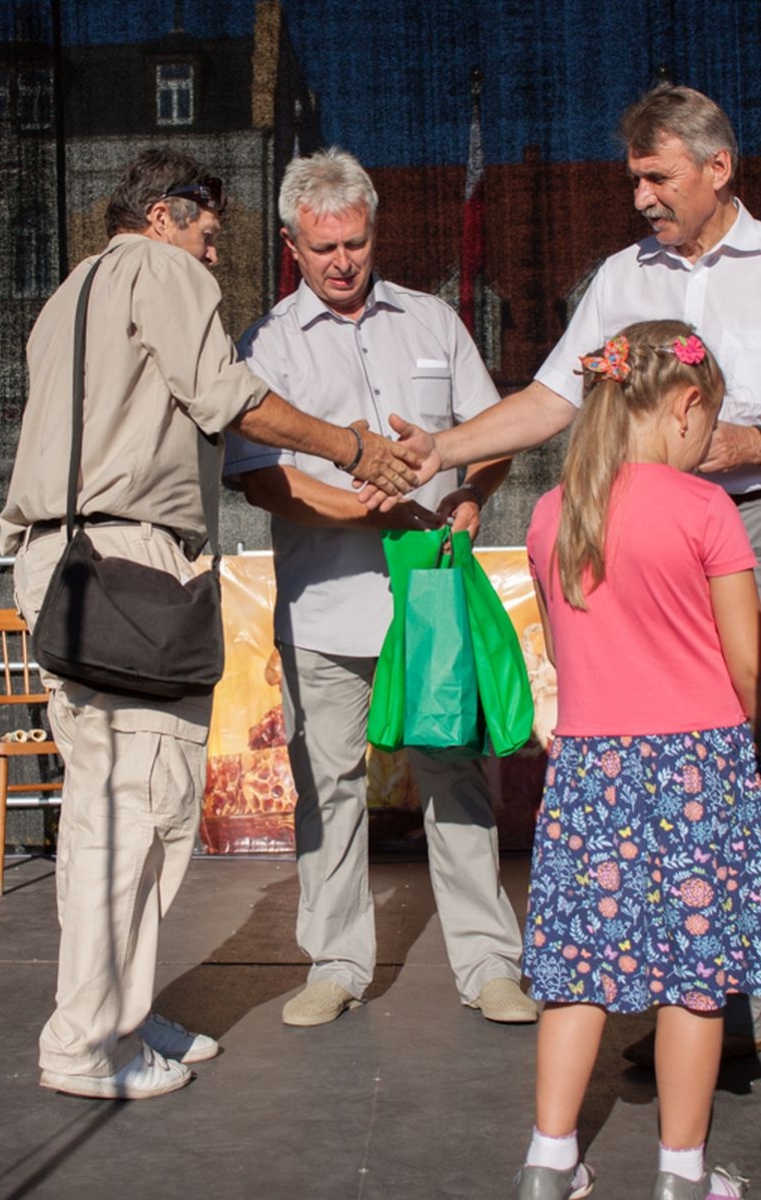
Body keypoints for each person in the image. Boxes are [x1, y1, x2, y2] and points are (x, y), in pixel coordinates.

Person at [0, 146, 425, 1102]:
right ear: (162, 213)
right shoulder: (158, 268)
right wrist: (351, 444)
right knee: (138, 813)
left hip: (66, 561)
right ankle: (86, 1044)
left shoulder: (69, 294)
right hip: (125, 562)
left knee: (108, 811)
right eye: (206, 229)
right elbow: (227, 395)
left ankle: (118, 1006)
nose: (211, 250)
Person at [364, 82, 761, 1063]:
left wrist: (740, 442)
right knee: (676, 786)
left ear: (718, 169)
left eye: (654, 177)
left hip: (751, 525)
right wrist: (441, 449)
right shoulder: (623, 278)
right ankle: (696, 1006)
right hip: (652, 548)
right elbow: (550, 400)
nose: (638, 198)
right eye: (631, 179)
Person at [224, 147, 537, 1029]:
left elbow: (489, 433)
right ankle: (333, 962)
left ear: (373, 231)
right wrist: (378, 513)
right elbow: (261, 479)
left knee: (455, 777)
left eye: (355, 243)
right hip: (325, 610)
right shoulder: (265, 343)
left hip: (430, 600)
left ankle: (488, 966)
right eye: (322, 248)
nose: (341, 262)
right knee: (328, 788)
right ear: (291, 244)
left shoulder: (434, 321)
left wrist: (469, 496)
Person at [513, 320, 759, 1200]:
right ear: (686, 408)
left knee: (576, 970)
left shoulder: (551, 513)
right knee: (692, 980)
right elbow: (748, 666)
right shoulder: (706, 509)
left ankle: (549, 1163)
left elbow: (565, 651)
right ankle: (682, 1177)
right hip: (699, 768)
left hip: (589, 770)